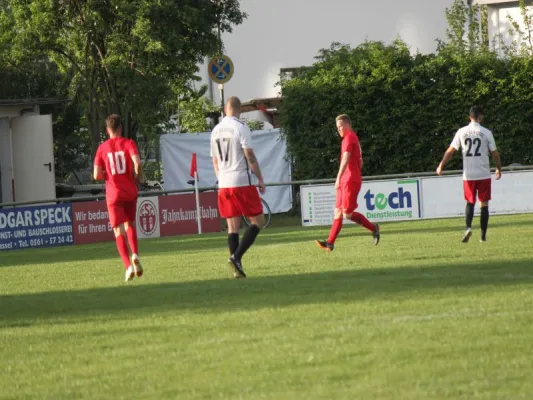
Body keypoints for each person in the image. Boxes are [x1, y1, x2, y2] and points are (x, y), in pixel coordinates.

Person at [210, 96, 266, 278]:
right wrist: (260, 177)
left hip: (224, 183)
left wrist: (221, 178)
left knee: (232, 226)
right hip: (240, 181)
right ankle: (236, 257)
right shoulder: (240, 127)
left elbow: (215, 160)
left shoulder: (215, 130)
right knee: (258, 221)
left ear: (225, 109)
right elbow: (249, 155)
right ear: (239, 109)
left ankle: (237, 269)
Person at [436, 105, 502, 242]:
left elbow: (450, 151)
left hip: (469, 175)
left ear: (469, 117)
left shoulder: (461, 132)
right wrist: (498, 168)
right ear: (481, 117)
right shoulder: (487, 132)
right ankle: (483, 237)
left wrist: (441, 165)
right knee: (484, 204)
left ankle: (468, 228)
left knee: (470, 202)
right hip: (483, 173)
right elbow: (495, 154)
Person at [315, 114, 380, 252]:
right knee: (337, 211)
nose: (339, 129)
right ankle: (330, 243)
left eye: (341, 126)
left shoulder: (349, 137)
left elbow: (346, 158)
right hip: (346, 179)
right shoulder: (350, 138)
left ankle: (374, 228)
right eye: (337, 127)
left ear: (348, 124)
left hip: (349, 180)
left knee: (347, 214)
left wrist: (339, 177)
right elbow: (360, 161)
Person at [93, 114, 144, 281]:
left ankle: (128, 266)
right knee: (130, 224)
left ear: (108, 130)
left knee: (118, 230)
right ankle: (135, 254)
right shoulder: (129, 143)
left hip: (113, 194)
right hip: (129, 191)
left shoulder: (102, 148)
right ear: (121, 128)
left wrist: (106, 173)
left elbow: (96, 175)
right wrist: (138, 176)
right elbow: (137, 163)